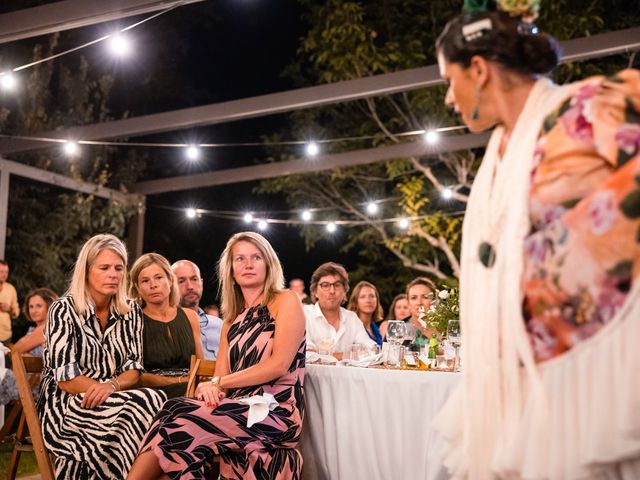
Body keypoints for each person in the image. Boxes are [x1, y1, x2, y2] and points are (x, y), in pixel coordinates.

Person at [434, 5, 640, 479]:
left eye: (450, 80)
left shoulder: (586, 107)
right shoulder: (499, 152)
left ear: (479, 70)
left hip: (593, 377)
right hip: (518, 384)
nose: (449, 98)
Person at [128, 231, 306, 479]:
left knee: (182, 422)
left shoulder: (286, 301)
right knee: (174, 409)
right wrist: (211, 389)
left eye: (256, 257)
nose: (248, 264)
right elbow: (220, 378)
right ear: (231, 270)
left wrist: (219, 383)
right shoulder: (231, 320)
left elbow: (278, 365)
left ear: (268, 263)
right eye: (240, 259)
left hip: (275, 411)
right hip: (236, 407)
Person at [39, 234, 165, 479]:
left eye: (119, 268)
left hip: (113, 398)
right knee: (141, 406)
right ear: (86, 271)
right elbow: (66, 379)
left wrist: (111, 386)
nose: (113, 274)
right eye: (104, 267)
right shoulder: (63, 310)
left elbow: (133, 368)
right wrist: (103, 388)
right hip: (67, 406)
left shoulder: (130, 312)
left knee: (153, 399)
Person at [129, 253, 204, 398]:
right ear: (138, 288)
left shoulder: (190, 316)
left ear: (170, 280)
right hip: (152, 396)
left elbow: (201, 367)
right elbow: (137, 376)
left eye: (158, 277)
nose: (153, 285)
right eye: (145, 281)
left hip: (192, 393)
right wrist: (179, 380)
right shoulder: (133, 320)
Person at [0, 288, 57, 405]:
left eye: (38, 306)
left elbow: (15, 350)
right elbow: (14, 350)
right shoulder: (34, 330)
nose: (34, 310)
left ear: (49, 306)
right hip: (25, 381)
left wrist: (22, 353)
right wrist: (22, 353)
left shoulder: (46, 328)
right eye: (31, 307)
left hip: (32, 387)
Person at [304, 262, 375, 354]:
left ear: (344, 291)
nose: (332, 291)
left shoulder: (352, 318)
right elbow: (307, 354)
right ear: (315, 292)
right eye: (325, 285)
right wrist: (349, 355)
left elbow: (371, 349)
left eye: (337, 285)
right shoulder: (305, 315)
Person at [171, 259, 223, 360]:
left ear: (201, 283)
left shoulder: (219, 325)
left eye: (194, 279)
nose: (190, 287)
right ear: (171, 286)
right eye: (181, 281)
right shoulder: (166, 327)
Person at [346, 281, 384, 345]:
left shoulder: (374, 327)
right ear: (355, 301)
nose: (368, 300)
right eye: (363, 297)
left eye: (372, 296)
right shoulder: (351, 326)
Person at [0, 260, 19, 344]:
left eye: (6, 272)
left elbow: (16, 310)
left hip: (5, 336)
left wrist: (10, 309)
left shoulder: (11, 289)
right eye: (1, 272)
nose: (4, 275)